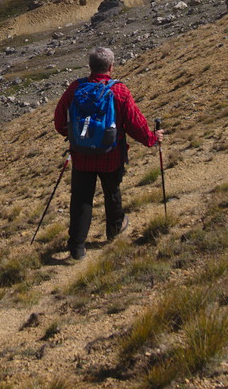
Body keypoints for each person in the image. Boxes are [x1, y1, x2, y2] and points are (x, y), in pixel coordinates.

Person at [53, 46, 164, 259]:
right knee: (112, 192)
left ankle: (76, 247)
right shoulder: (119, 91)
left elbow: (60, 119)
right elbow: (135, 123)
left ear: (90, 66)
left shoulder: (76, 87)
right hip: (111, 155)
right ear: (111, 67)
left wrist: (74, 136)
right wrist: (152, 139)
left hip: (81, 155)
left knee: (81, 199)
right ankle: (114, 230)